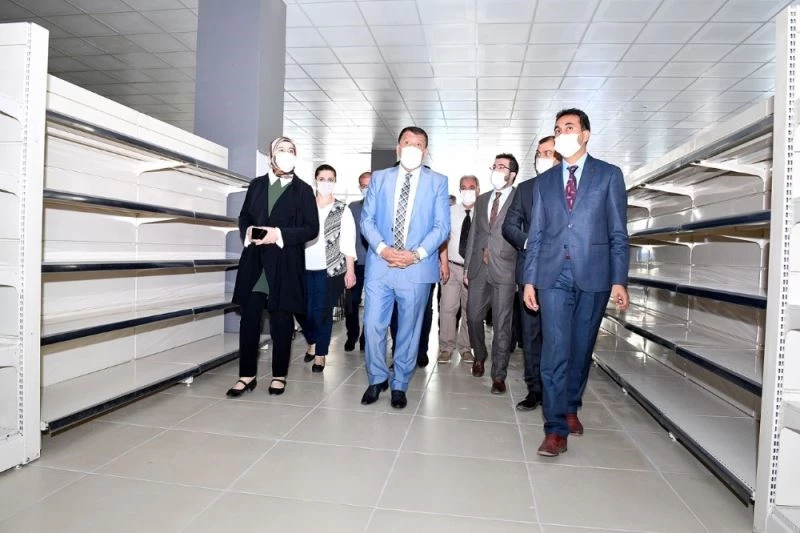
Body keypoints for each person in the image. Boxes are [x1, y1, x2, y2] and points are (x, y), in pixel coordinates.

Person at [523, 108, 630, 457]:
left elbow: (618, 232)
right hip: (553, 275)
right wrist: (529, 280)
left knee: (581, 348)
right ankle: (555, 428)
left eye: (569, 127)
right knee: (554, 349)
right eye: (557, 129)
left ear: (585, 135)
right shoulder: (545, 182)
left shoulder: (608, 175)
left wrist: (619, 279)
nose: (562, 134)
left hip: (594, 274)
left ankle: (571, 405)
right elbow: (536, 234)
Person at [359, 126, 450, 409]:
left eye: (418, 144)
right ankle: (377, 378)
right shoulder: (379, 178)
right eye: (407, 142)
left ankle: (400, 383)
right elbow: (367, 220)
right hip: (380, 265)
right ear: (398, 148)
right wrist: (383, 249)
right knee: (373, 326)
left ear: (425, 151)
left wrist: (416, 255)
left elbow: (442, 227)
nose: (412, 148)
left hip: (416, 268)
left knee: (409, 331)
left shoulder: (438, 182)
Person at [228, 136, 318, 397]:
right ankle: (246, 375)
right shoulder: (257, 185)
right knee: (249, 320)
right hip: (255, 263)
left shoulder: (303, 190)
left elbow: (311, 228)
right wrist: (248, 231)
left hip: (284, 263)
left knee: (282, 322)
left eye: (291, 150)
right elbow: (245, 215)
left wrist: (278, 234)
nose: (286, 153)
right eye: (281, 149)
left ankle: (279, 375)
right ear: (271, 156)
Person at [502, 136, 561, 411]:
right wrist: (531, 242)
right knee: (531, 334)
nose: (541, 158)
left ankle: (557, 391)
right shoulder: (525, 189)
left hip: (562, 274)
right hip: (530, 274)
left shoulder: (573, 187)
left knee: (558, 336)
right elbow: (509, 226)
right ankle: (534, 389)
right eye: (539, 153)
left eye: (548, 152)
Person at [464, 154, 519, 394]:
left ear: (512, 174)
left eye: (502, 167)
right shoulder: (482, 199)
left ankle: (499, 374)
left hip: (505, 269)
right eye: (494, 166)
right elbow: (475, 234)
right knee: (473, 316)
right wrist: (467, 266)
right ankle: (480, 354)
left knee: (502, 323)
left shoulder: (520, 198)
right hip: (478, 268)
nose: (496, 170)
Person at [299, 164, 357, 372]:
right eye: (322, 179)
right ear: (315, 180)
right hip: (303, 267)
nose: (326, 183)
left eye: (330, 179)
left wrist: (350, 271)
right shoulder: (305, 206)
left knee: (322, 312)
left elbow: (348, 242)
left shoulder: (343, 209)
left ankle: (320, 354)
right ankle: (312, 341)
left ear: (335, 182)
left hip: (331, 269)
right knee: (303, 311)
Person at [437, 175, 479, 364]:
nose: (467, 190)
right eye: (464, 187)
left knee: (470, 310)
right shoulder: (450, 211)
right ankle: (446, 348)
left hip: (474, 271)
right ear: (459, 189)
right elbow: (443, 239)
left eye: (471, 187)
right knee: (447, 308)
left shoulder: (484, 213)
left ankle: (466, 348)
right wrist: (444, 264)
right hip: (452, 267)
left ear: (478, 189)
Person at [344, 171, 371, 352]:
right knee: (352, 302)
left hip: (376, 265)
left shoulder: (384, 207)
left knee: (372, 305)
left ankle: (366, 337)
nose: (366, 189)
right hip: (356, 264)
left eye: (370, 185)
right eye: (363, 186)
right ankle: (352, 334)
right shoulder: (352, 208)